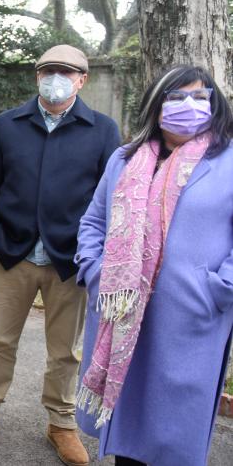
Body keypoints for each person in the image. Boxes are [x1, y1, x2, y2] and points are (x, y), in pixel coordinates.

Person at [0, 44, 120, 466]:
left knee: (66, 350)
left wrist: (91, 249)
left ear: (83, 79)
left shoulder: (103, 130)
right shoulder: (10, 123)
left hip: (70, 260)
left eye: (66, 71)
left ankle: (62, 423)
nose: (56, 77)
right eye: (48, 70)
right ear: (36, 77)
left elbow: (110, 197)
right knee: (0, 340)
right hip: (14, 254)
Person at [75, 65, 233, 466]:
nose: (189, 105)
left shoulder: (228, 161)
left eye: (200, 97)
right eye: (177, 96)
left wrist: (218, 288)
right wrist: (96, 273)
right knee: (125, 426)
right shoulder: (124, 159)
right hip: (123, 313)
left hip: (189, 317)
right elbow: (93, 221)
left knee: (172, 435)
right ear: (156, 105)